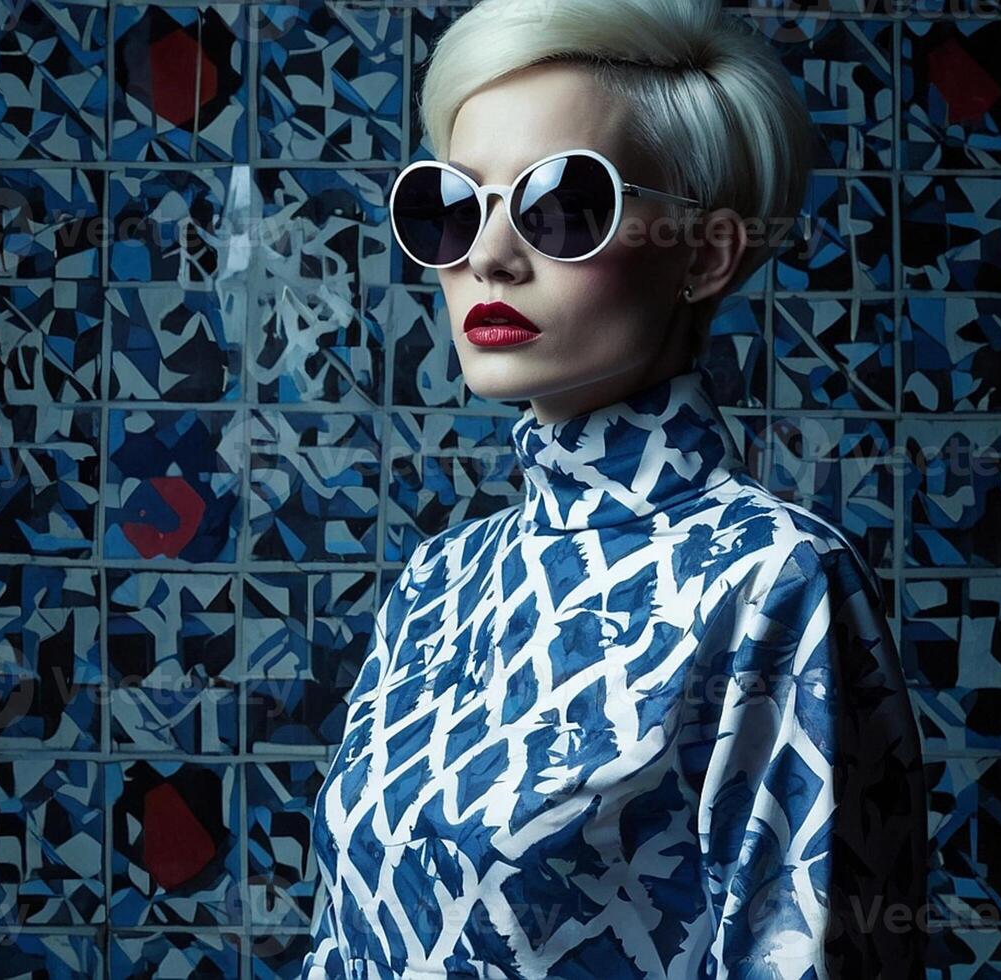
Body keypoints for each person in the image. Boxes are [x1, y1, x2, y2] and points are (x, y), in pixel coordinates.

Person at [301, 1, 926, 977]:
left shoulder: (770, 578)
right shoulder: (437, 582)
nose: (489, 257)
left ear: (706, 253)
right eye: (451, 204)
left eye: (562, 206)